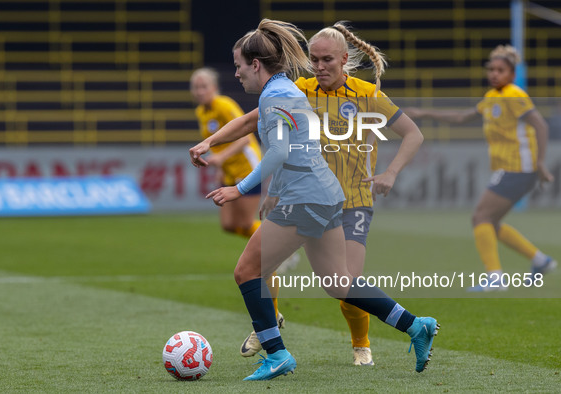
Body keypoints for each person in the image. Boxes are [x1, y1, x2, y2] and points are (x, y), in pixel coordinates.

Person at [190, 19, 438, 380]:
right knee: (339, 282)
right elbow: (293, 148)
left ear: (256, 65)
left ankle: (275, 352)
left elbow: (277, 152)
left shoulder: (278, 94)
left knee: (247, 271)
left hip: (309, 198)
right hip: (325, 194)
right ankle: (417, 326)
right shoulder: (292, 90)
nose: (237, 72)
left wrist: (240, 189)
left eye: (239, 66)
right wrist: (217, 148)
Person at [405, 45, 557, 291]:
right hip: (510, 169)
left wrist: (540, 162)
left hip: (518, 168)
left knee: (480, 217)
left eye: (501, 70)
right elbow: (461, 117)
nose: (495, 74)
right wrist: (424, 112)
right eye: (492, 69)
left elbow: (541, 125)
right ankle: (540, 260)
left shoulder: (513, 95)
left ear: (512, 73)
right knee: (491, 222)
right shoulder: (492, 97)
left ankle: (495, 277)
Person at [190, 67, 285, 330]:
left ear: (214, 87)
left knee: (245, 220)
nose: (200, 92)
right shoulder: (202, 112)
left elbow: (245, 136)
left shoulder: (223, 105)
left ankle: (274, 249)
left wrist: (220, 157)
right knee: (229, 225)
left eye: (203, 86)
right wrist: (220, 164)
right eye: (196, 87)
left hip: (246, 167)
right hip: (229, 171)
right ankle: (272, 247)